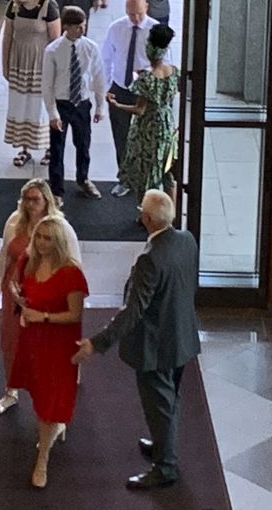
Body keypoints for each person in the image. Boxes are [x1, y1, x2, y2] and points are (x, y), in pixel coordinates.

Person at [73, 190, 199, 488]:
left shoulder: (150, 260)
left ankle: (165, 467)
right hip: (182, 336)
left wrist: (98, 342)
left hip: (156, 345)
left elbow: (133, 312)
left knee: (160, 404)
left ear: (147, 219)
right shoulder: (186, 240)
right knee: (170, 399)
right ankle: (161, 446)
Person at [9, 216, 89, 488]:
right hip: (34, 340)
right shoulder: (30, 262)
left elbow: (75, 315)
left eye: (48, 238)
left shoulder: (70, 273)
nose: (42, 243)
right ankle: (54, 428)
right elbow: (19, 287)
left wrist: (42, 316)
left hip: (58, 343)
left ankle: (42, 458)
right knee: (41, 394)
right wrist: (21, 300)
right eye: (39, 237)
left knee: (50, 401)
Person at [0, 179, 80, 415]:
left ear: (46, 200)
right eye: (27, 199)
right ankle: (11, 391)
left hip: (45, 292)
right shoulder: (14, 221)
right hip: (14, 290)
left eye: (35, 199)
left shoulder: (60, 227)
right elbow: (5, 253)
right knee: (10, 340)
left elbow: (74, 264)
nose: (30, 205)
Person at [109, 23, 179, 201]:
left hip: (147, 129)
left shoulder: (146, 78)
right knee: (166, 171)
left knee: (145, 173)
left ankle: (146, 213)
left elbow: (139, 110)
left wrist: (117, 105)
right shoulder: (173, 71)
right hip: (166, 124)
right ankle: (170, 214)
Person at [42, 6, 106, 200]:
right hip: (62, 103)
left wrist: (100, 106)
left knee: (83, 143)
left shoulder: (90, 48)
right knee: (57, 148)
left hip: (82, 103)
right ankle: (56, 190)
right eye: (77, 27)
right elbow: (47, 85)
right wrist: (52, 113)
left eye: (83, 26)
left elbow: (98, 77)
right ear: (66, 27)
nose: (82, 30)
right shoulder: (52, 50)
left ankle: (83, 178)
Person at [2, 0, 61, 167]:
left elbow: (56, 42)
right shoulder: (14, 5)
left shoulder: (48, 6)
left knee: (42, 107)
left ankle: (49, 148)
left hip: (41, 64)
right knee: (21, 105)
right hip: (20, 62)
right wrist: (5, 65)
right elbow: (8, 36)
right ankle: (24, 148)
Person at [100, 0, 155, 196]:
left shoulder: (155, 29)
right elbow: (106, 58)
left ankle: (143, 178)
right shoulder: (116, 28)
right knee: (120, 135)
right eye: (132, 14)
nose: (136, 18)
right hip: (120, 87)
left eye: (139, 13)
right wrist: (106, 87)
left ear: (146, 7)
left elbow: (164, 63)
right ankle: (124, 178)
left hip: (144, 91)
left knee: (143, 136)